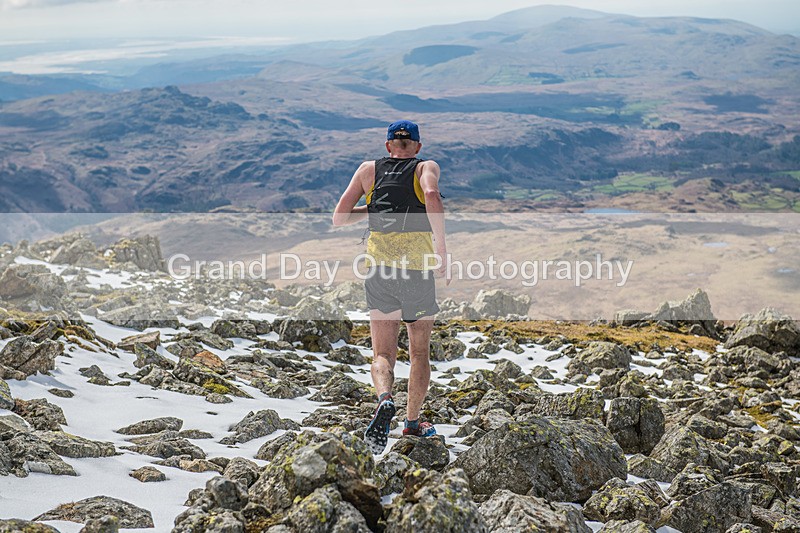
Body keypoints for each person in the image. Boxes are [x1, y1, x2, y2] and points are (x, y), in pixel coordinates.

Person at [332, 119, 449, 454]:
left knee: (383, 353)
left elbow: (339, 217)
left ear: (387, 146)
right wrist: (441, 249)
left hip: (380, 271)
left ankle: (384, 398)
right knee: (418, 352)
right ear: (416, 146)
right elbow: (429, 193)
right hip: (416, 271)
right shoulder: (426, 166)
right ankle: (411, 424)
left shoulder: (368, 170)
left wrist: (376, 210)